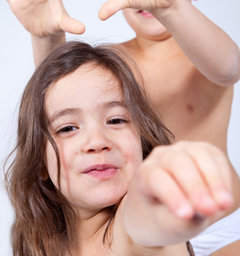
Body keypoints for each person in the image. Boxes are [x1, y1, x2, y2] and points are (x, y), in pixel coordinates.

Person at [1, 0, 240, 255]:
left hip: (217, 217)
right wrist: (46, 37)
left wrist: (172, 6)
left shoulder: (204, 51)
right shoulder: (117, 61)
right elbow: (60, 101)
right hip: (129, 213)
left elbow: (229, 68)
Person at [5, 40, 234, 256]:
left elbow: (147, 216)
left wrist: (165, 189)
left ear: (141, 143)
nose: (97, 142)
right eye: (67, 128)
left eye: (116, 120)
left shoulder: (130, 229)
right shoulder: (42, 241)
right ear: (39, 163)